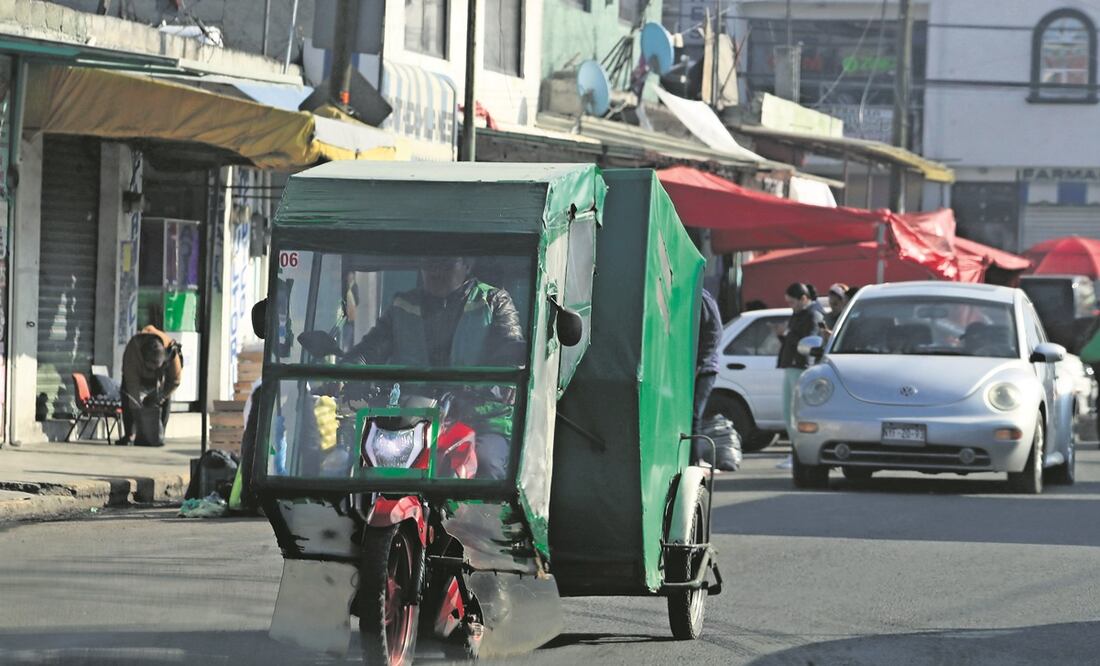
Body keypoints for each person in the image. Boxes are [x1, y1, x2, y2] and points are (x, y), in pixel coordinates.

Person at [348, 257, 525, 479]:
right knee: (365, 471)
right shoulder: (403, 304)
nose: (436, 272)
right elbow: (370, 349)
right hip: (412, 417)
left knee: (488, 465)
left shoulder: (494, 300)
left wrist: (510, 373)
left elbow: (511, 345)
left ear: (468, 265)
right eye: (430, 264)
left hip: (482, 418)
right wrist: (348, 372)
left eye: (445, 264)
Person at [776, 283, 824, 469]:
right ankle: (793, 450)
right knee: (788, 412)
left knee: (796, 412)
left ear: (804, 298)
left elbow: (809, 342)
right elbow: (792, 340)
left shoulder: (812, 314)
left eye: (792, 302)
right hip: (791, 365)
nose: (791, 306)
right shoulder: (799, 314)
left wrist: (787, 333)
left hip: (801, 366)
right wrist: (783, 335)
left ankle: (798, 452)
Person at [119, 325, 183, 446]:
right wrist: (138, 413)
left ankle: (160, 434)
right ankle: (129, 434)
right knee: (126, 395)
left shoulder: (171, 350)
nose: (152, 369)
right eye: (150, 366)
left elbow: (175, 380)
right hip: (137, 377)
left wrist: (161, 397)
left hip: (160, 379)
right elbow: (132, 386)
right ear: (144, 358)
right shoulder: (133, 351)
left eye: (156, 366)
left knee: (166, 399)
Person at [693, 288, 723, 464]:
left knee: (694, 414)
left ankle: (695, 459)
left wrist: (699, 363)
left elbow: (714, 332)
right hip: (695, 366)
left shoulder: (702, 296)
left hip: (704, 368)